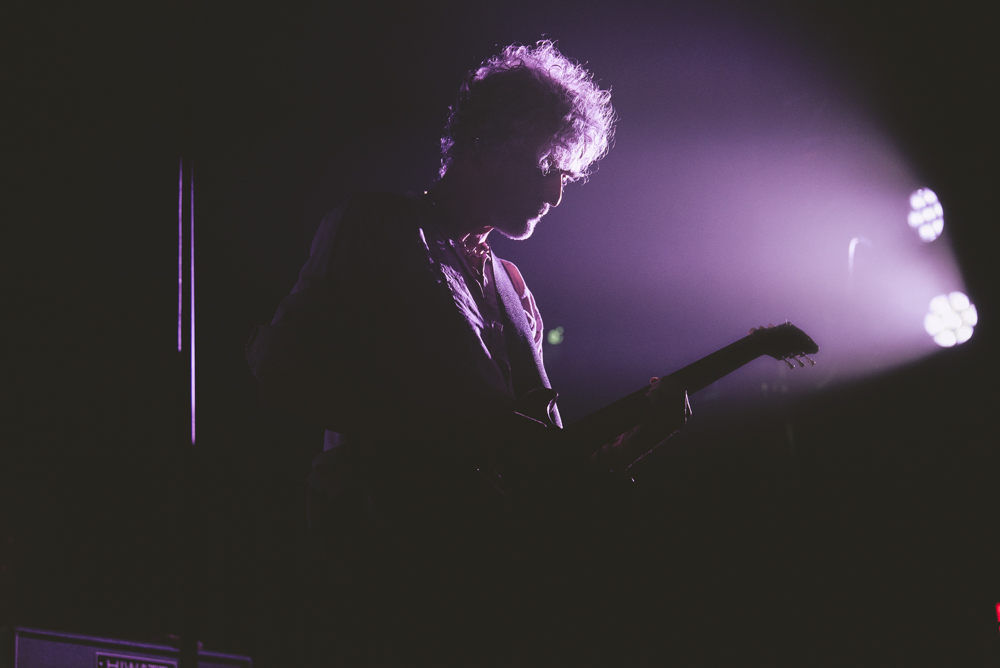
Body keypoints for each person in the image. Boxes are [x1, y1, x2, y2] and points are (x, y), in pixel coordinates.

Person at [246, 39, 691, 662]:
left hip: (492, 595)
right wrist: (455, 431)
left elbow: (553, 468)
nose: (559, 194)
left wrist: (648, 433)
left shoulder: (515, 290)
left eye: (569, 173)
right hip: (382, 575)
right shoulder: (378, 226)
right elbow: (281, 372)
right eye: (550, 166)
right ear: (491, 141)